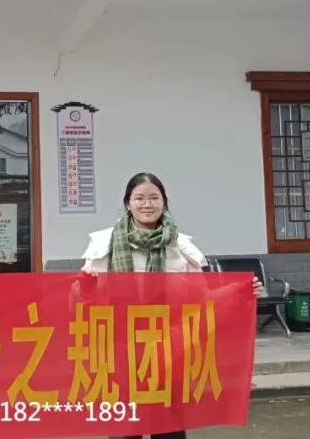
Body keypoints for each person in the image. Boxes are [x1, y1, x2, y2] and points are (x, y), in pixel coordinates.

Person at [80, 173, 262, 439]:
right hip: (120, 351)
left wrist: (238, 292)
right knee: (125, 429)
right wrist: (85, 288)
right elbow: (81, 302)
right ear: (128, 203)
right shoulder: (103, 245)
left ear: (164, 203)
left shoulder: (181, 246)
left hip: (169, 349)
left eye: (154, 198)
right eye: (139, 198)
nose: (147, 204)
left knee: (168, 429)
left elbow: (201, 301)